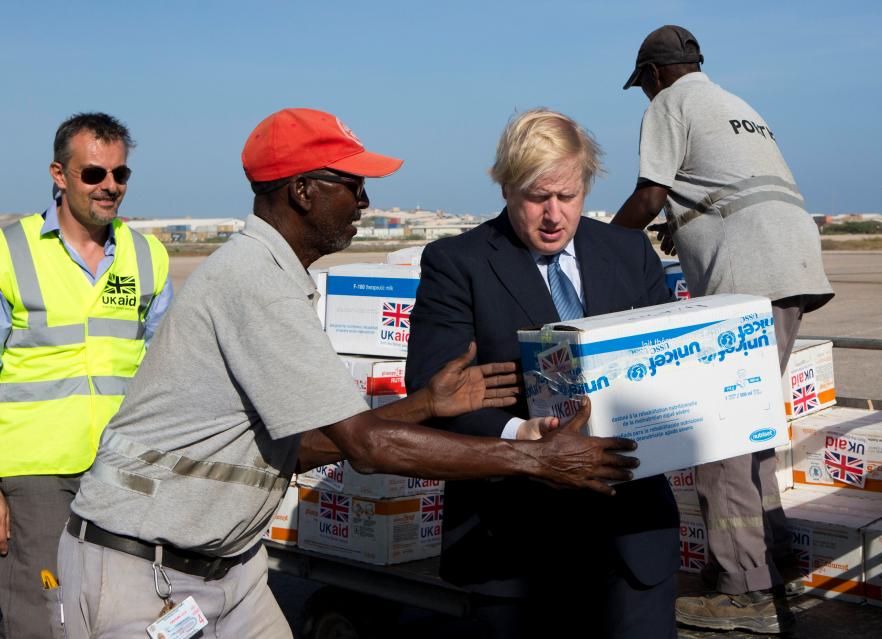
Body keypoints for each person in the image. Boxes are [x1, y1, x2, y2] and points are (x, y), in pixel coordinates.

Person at [55, 108, 637, 639]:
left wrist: (424, 406)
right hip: (145, 572)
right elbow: (365, 447)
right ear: (304, 192)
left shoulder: (276, 275)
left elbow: (302, 446)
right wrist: (538, 459)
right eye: (353, 185)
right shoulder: (255, 283)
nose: (364, 202)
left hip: (228, 569)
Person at [405, 108, 680, 639]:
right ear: (506, 187)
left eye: (568, 196)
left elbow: (668, 359)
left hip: (632, 538)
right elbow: (430, 394)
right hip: (516, 542)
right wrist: (519, 437)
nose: (554, 214)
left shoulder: (628, 252)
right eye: (537, 197)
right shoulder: (455, 262)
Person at [615, 26, 834, 634]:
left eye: (644, 85)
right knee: (751, 424)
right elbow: (726, 192)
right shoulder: (736, 105)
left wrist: (599, 243)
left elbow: (650, 192)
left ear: (654, 75)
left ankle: (743, 593)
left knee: (718, 438)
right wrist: (685, 227)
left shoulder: (669, 103)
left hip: (749, 278)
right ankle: (769, 563)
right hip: (789, 267)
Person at [0, 113, 172, 639]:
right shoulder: (10, 251)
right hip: (36, 471)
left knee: (123, 610)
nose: (110, 187)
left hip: (122, 468)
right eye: (94, 174)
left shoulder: (149, 256)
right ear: (60, 174)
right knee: (42, 612)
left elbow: (166, 372)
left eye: (120, 174)